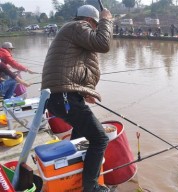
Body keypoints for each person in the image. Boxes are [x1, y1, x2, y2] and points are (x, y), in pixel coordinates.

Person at [41, 4, 113, 192]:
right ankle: (91, 187)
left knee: (80, 135)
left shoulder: (71, 30)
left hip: (61, 96)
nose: (96, 28)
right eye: (96, 24)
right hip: (63, 96)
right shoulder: (78, 26)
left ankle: (73, 178)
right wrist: (106, 19)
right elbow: (103, 44)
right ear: (90, 20)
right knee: (100, 139)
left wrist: (84, 91)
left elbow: (73, 68)